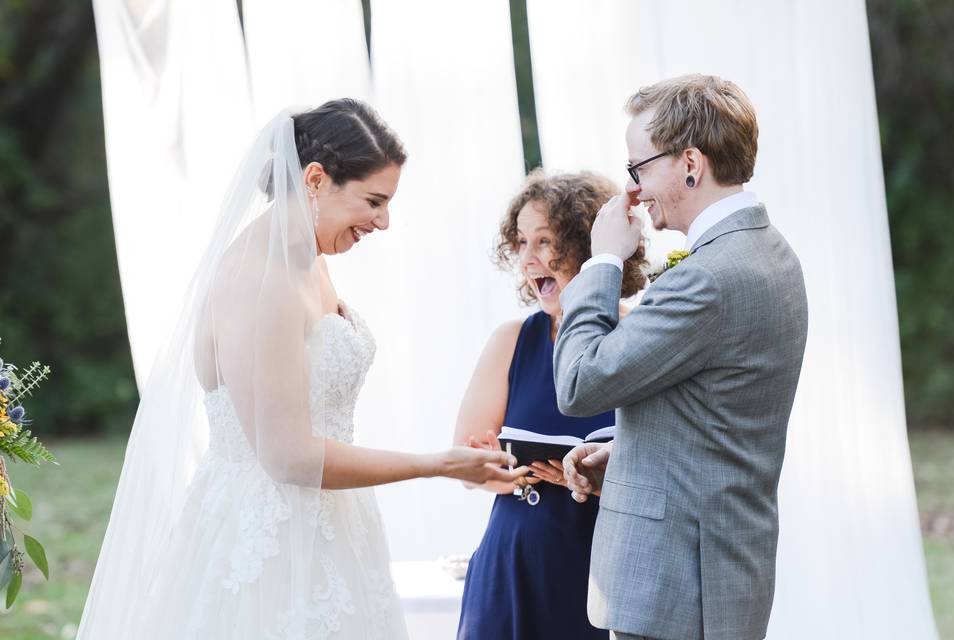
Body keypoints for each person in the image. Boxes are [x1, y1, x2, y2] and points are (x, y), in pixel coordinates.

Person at [77, 99, 525, 640]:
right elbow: (288, 456)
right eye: (374, 201)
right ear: (315, 179)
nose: (384, 222)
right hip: (267, 547)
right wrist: (436, 465)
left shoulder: (308, 259)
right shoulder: (256, 280)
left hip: (333, 530)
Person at [556, 75, 808, 640]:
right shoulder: (771, 252)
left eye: (638, 167)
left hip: (677, 589)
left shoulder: (706, 279)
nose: (635, 189)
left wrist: (601, 263)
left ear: (689, 163)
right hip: (718, 572)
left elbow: (577, 383)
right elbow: (725, 413)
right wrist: (630, 455)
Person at [454, 171, 648, 639]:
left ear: (587, 246)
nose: (527, 259)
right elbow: (462, 461)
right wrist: (493, 469)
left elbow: (670, 463)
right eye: (521, 243)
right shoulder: (511, 341)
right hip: (514, 565)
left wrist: (598, 478)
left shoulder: (643, 334)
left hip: (602, 570)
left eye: (543, 241)